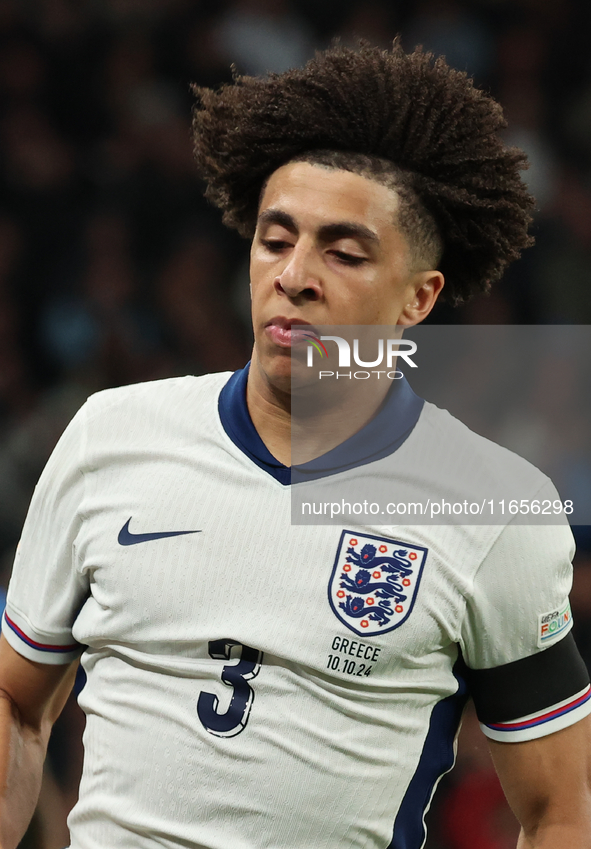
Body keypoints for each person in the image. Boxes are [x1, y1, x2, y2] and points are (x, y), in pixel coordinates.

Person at [1, 42, 590, 849]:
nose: (296, 274)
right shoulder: (111, 434)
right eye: (275, 240)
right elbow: (15, 703)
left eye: (343, 252)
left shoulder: (496, 510)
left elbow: (558, 810)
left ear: (418, 297)